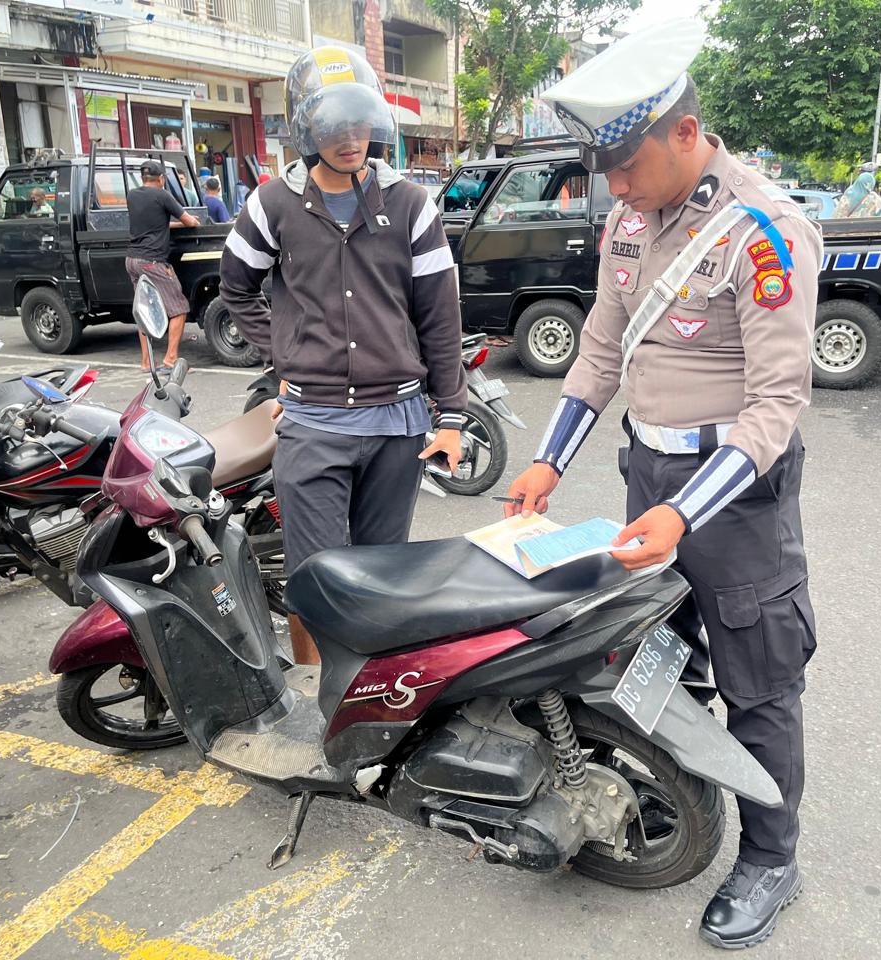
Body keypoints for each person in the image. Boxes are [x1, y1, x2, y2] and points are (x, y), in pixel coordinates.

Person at [504, 19, 821, 950]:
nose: (616, 185)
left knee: (760, 681)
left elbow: (775, 407)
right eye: (603, 168)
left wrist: (684, 512)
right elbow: (602, 345)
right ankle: (668, 801)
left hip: (731, 497)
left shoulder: (763, 234)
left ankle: (770, 857)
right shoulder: (629, 221)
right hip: (649, 471)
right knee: (655, 661)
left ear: (685, 133)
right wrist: (549, 458)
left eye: (627, 162)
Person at [220, 46, 465, 666]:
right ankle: (316, 700)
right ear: (307, 129)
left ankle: (375, 699)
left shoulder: (411, 204)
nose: (350, 139)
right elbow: (236, 288)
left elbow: (439, 315)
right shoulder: (272, 204)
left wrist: (453, 415)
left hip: (397, 422)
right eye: (333, 125)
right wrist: (285, 352)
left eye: (359, 123)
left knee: (384, 574)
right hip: (313, 423)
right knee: (317, 574)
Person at [125, 160, 200, 371]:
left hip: (132, 260)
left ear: (143, 178)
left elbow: (154, 223)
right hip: (152, 261)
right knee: (179, 308)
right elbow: (189, 221)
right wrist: (192, 221)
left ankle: (146, 362)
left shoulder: (132, 195)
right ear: (161, 179)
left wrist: (171, 224)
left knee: (144, 310)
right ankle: (170, 359)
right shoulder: (162, 195)